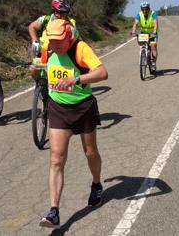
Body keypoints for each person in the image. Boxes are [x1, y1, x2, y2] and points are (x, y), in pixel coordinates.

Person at [38, 19, 108, 229]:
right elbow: (43, 68)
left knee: (90, 152)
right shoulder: (48, 48)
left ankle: (96, 184)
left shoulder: (80, 48)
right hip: (58, 108)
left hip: (83, 107)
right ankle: (53, 212)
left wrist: (75, 80)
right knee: (56, 158)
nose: (55, 45)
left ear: (69, 36)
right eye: (52, 41)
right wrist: (36, 71)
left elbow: (102, 73)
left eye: (59, 41)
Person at [27, 0, 78, 79]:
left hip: (61, 59)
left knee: (64, 80)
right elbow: (32, 27)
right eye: (62, 14)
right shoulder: (46, 19)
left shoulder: (70, 25)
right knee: (33, 69)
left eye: (66, 13)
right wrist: (35, 41)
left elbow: (76, 42)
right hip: (44, 57)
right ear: (56, 13)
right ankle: (40, 84)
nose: (65, 16)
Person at [130, 1, 159, 66]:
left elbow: (155, 23)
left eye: (146, 9)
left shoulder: (153, 13)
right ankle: (144, 53)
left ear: (149, 8)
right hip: (143, 33)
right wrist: (133, 32)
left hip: (152, 33)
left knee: (153, 46)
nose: (145, 10)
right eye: (143, 9)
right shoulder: (139, 14)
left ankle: (154, 62)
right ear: (141, 9)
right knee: (141, 44)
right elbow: (136, 24)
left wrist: (154, 32)